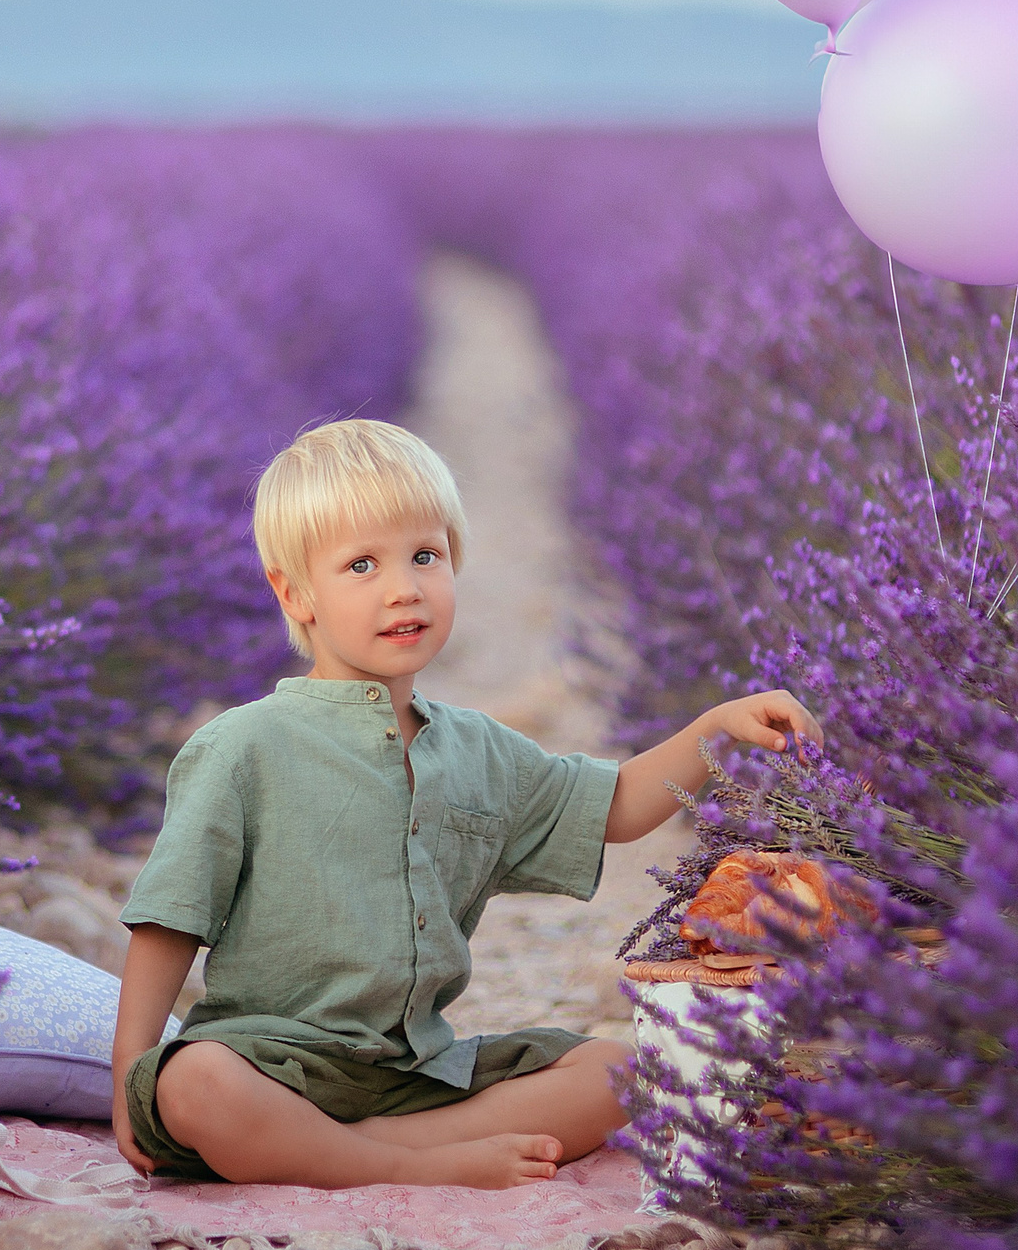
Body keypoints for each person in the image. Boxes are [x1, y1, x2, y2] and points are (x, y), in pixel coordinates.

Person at [110, 418, 819, 1189]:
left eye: (425, 555)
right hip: (270, 1063)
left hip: (416, 1073)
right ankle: (402, 1162)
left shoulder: (481, 749)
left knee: (620, 1068)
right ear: (295, 591)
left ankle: (352, 1150)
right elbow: (167, 918)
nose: (403, 585)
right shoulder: (242, 745)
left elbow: (610, 804)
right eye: (361, 564)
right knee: (192, 1083)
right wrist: (128, 1080)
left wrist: (714, 727)